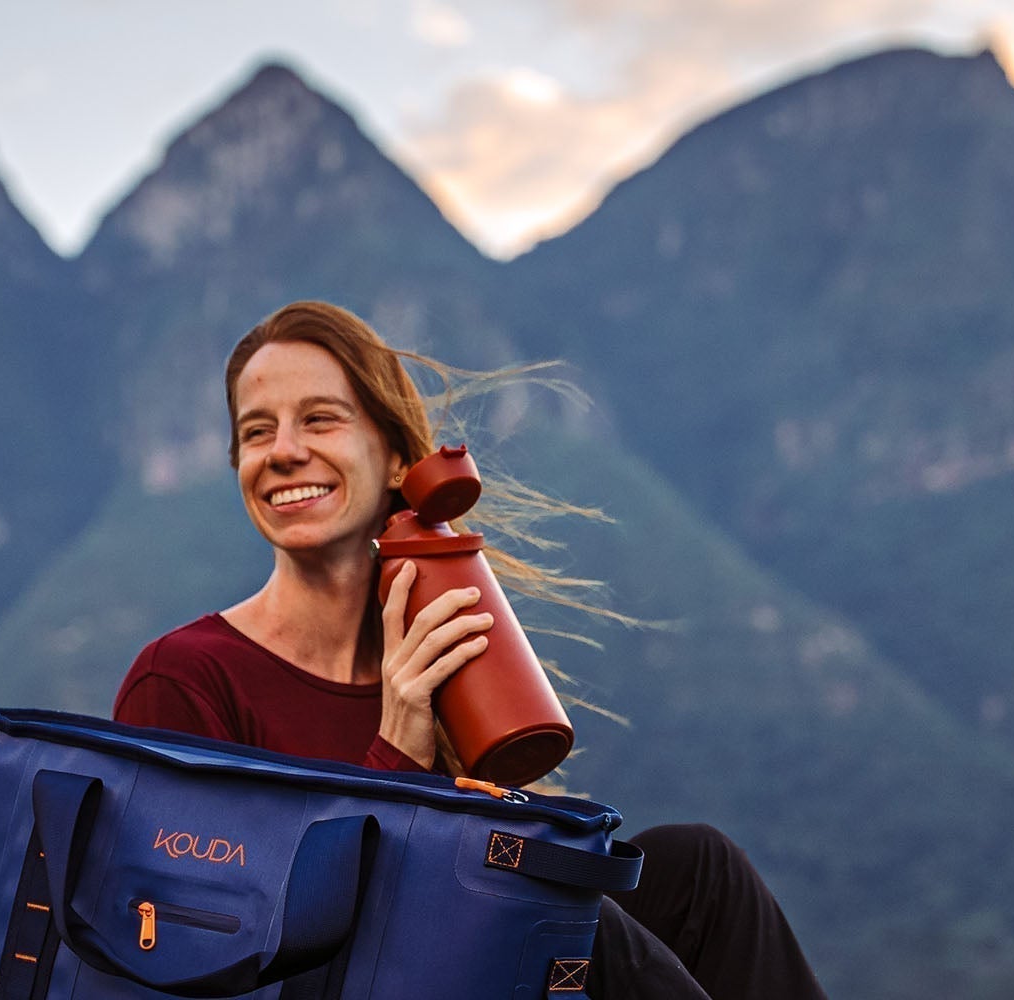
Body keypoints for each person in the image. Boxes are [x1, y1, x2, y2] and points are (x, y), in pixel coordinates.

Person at [112, 301, 828, 1000]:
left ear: (394, 457)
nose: (285, 451)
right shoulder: (183, 678)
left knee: (698, 867)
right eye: (257, 431)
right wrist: (396, 752)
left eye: (320, 419)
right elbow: (201, 949)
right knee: (559, 920)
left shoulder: (437, 647)